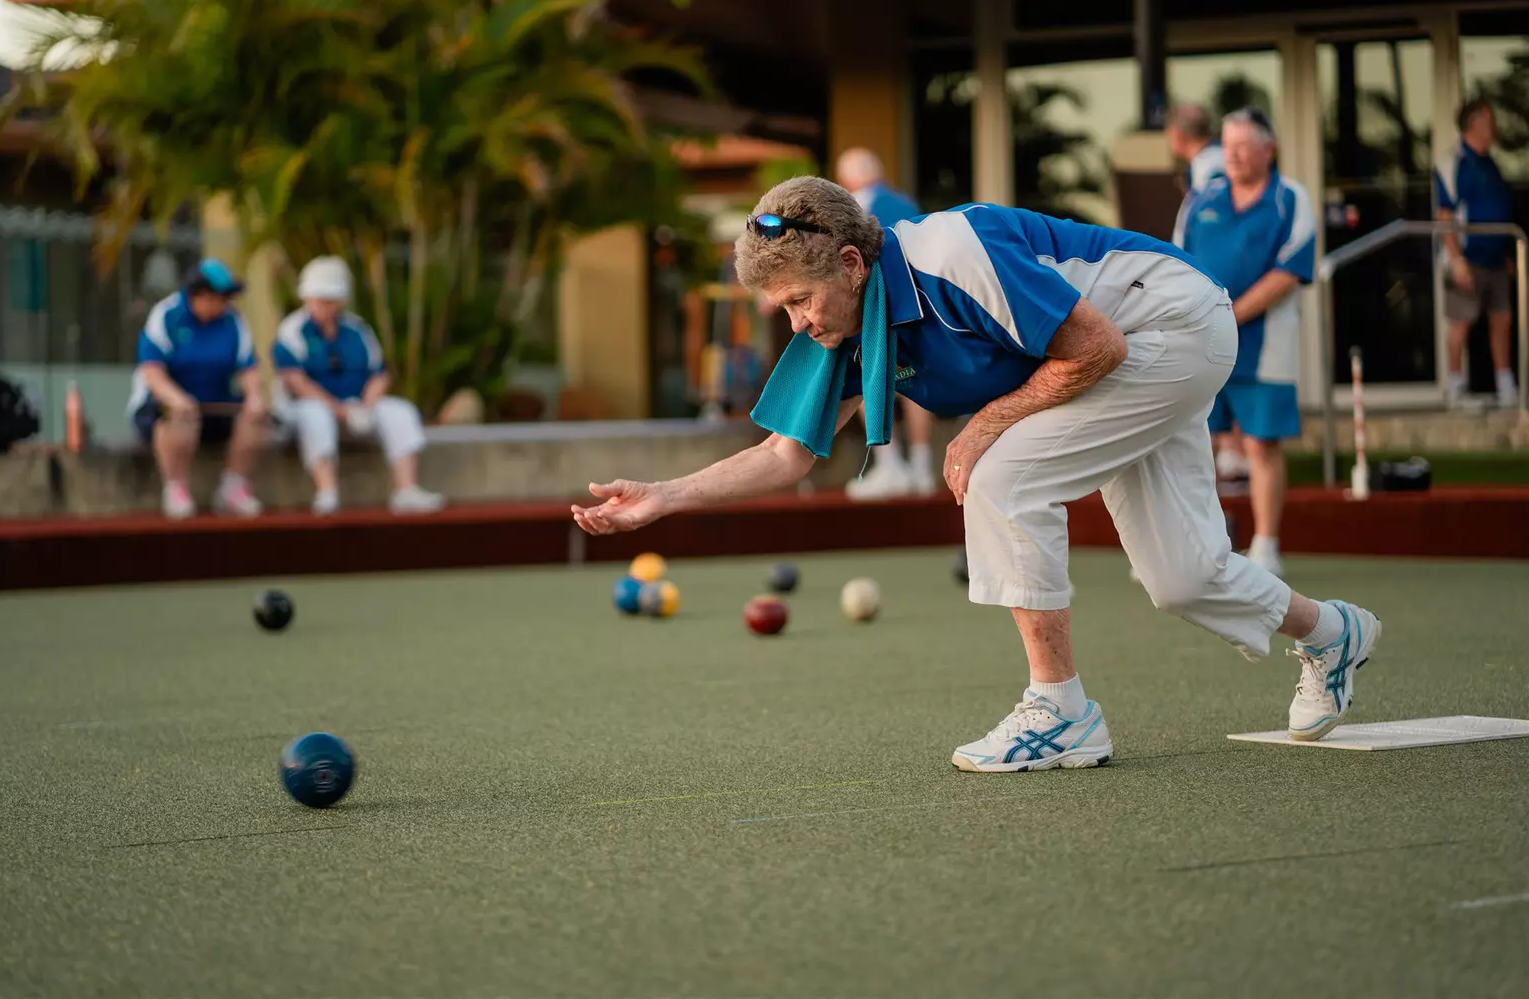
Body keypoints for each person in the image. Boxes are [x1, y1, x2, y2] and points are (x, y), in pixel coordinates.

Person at [572, 176, 1381, 769]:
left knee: (1000, 473)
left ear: (852, 263)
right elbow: (785, 455)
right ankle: (1333, 634)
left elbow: (1096, 348)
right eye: (784, 309)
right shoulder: (844, 328)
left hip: (1172, 320)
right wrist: (662, 499)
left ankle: (1061, 711)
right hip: (1129, 356)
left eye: (798, 301)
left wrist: (984, 426)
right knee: (1180, 577)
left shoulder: (951, 254)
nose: (798, 322)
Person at [1175, 108, 1315, 578]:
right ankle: (1203, 542)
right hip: (1203, 343)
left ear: (1267, 149)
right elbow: (1174, 262)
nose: (1230, 155)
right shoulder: (1200, 199)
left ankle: (1266, 545)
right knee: (1199, 444)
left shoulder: (1290, 197)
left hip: (1266, 345)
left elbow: (1291, 270)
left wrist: (1228, 315)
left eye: (1242, 145)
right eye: (1226, 144)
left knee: (1260, 445)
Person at [272, 256, 445, 515]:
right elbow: (295, 380)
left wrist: (365, 406)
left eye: (330, 301)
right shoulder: (292, 330)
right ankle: (327, 492)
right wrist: (336, 409)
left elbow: (379, 374)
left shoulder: (358, 329)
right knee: (315, 416)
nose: (323, 307)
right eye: (318, 300)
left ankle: (406, 490)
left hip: (357, 405)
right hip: (308, 408)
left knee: (400, 411)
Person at [129, 258, 268, 520]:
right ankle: (175, 487)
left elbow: (249, 367)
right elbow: (152, 371)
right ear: (199, 294)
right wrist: (178, 400)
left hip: (215, 405)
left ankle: (233, 487)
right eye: (219, 297)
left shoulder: (234, 321)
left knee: (257, 416)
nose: (224, 303)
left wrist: (254, 396)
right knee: (179, 414)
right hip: (165, 407)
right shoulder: (167, 315)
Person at [834, 147, 936, 499]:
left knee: (867, 381)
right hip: (917, 304)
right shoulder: (906, 204)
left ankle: (890, 464)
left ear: (847, 177)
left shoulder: (851, 205)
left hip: (876, 306)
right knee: (915, 382)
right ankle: (922, 469)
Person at [1166, 102, 1246, 482]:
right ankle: (1228, 447)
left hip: (1217, 284)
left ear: (1178, 135)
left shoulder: (1212, 168)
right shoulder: (1204, 166)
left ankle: (1233, 448)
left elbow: (1218, 228)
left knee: (1221, 361)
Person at [1436, 98, 1520, 410]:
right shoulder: (1454, 162)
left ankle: (1505, 384)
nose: (1495, 125)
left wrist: (1507, 254)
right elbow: (1443, 216)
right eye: (1490, 120)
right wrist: (1457, 261)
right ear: (1475, 124)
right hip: (1466, 258)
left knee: (1502, 318)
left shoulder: (1490, 162)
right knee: (1461, 322)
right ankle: (1455, 387)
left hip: (1495, 257)